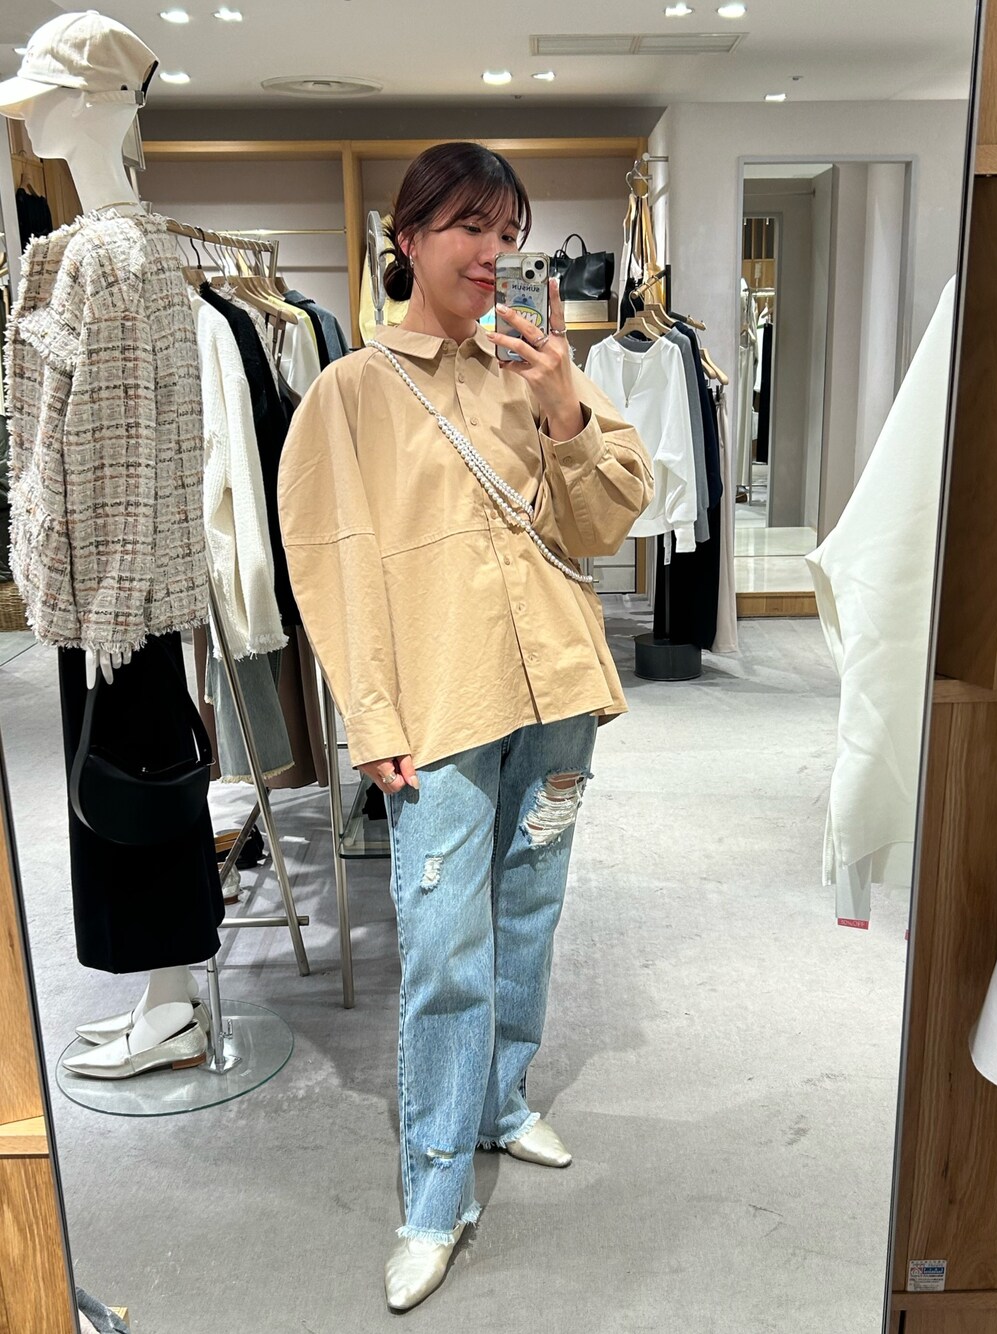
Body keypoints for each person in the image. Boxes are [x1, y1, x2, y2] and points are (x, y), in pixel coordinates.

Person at [277, 141, 653, 1312]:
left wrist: (563, 408)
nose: (492, 253)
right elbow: (329, 564)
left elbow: (608, 517)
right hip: (439, 706)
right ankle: (433, 1194)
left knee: (529, 910)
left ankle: (500, 1099)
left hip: (558, 696)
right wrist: (369, 714)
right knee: (445, 944)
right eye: (468, 228)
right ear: (408, 238)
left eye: (507, 233)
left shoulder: (535, 367)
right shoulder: (348, 392)